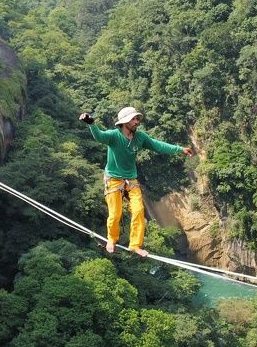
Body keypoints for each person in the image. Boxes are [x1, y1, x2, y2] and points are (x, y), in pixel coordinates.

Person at [80, 106, 194, 257]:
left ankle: (135, 245)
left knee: (139, 210)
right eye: (133, 119)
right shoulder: (114, 136)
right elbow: (99, 136)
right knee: (115, 213)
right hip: (113, 178)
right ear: (124, 122)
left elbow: (157, 145)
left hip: (131, 179)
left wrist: (179, 149)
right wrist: (91, 124)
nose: (136, 122)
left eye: (137, 119)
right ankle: (111, 240)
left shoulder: (139, 138)